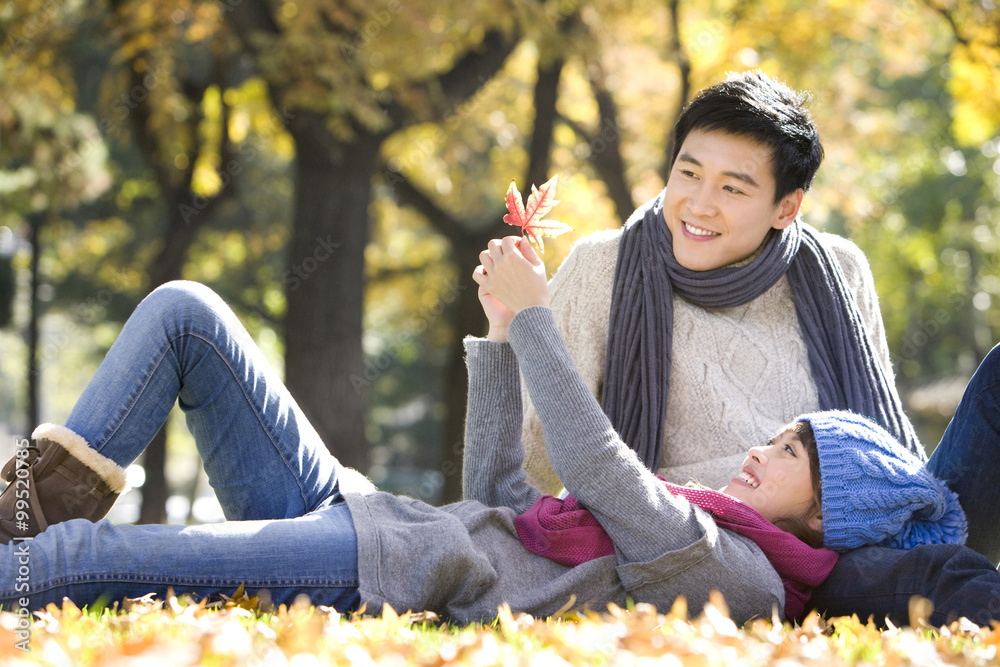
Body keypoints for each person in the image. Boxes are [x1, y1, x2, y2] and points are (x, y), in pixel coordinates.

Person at [0, 239, 967, 625]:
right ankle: (27, 504)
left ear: (827, 515)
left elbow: (594, 460)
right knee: (187, 311)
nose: (763, 446)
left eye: (793, 452)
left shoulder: (738, 574)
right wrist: (503, 338)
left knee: (88, 560)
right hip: (380, 517)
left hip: (380, 564)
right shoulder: (712, 525)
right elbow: (499, 501)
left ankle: (23, 544)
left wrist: (540, 316)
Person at [517, 69, 1000, 626]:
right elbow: (533, 453)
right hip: (742, 554)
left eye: (732, 188)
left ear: (785, 207)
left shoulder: (839, 270)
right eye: (688, 173)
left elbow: (877, 448)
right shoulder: (604, 267)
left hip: (863, 517)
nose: (698, 205)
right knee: (933, 577)